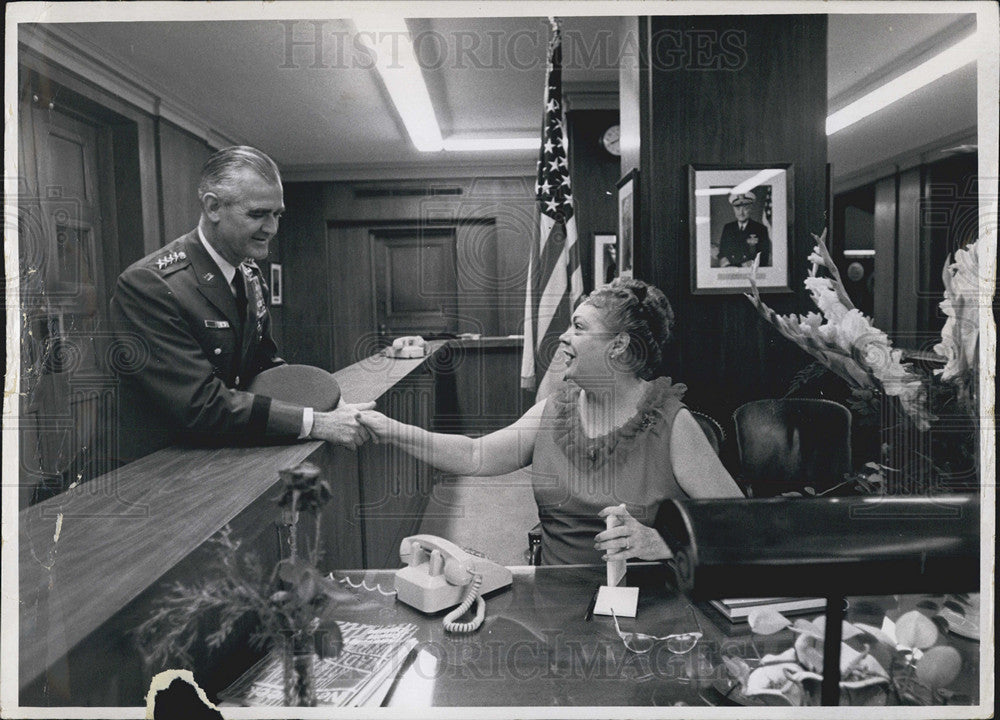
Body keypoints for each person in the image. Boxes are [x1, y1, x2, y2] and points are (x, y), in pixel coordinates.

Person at [357, 278, 743, 565]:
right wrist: (391, 429)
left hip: (646, 601)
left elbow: (740, 521)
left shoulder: (674, 425)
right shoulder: (553, 409)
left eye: (579, 327)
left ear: (619, 344)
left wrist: (665, 543)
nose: (562, 337)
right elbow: (476, 455)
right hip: (553, 598)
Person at [110, 146, 373, 461]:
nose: (272, 228)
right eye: (258, 214)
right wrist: (312, 421)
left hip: (223, 453)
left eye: (277, 214)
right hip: (159, 466)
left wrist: (327, 403)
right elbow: (200, 404)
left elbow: (264, 365)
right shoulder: (150, 284)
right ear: (213, 207)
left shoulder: (248, 273)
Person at [718, 191, 771, 268]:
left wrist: (743, 266)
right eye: (737, 208)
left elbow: (764, 258)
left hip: (751, 273)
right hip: (731, 272)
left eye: (745, 208)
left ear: (751, 208)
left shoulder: (761, 229)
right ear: (733, 209)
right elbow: (722, 253)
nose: (741, 212)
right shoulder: (728, 228)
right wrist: (726, 264)